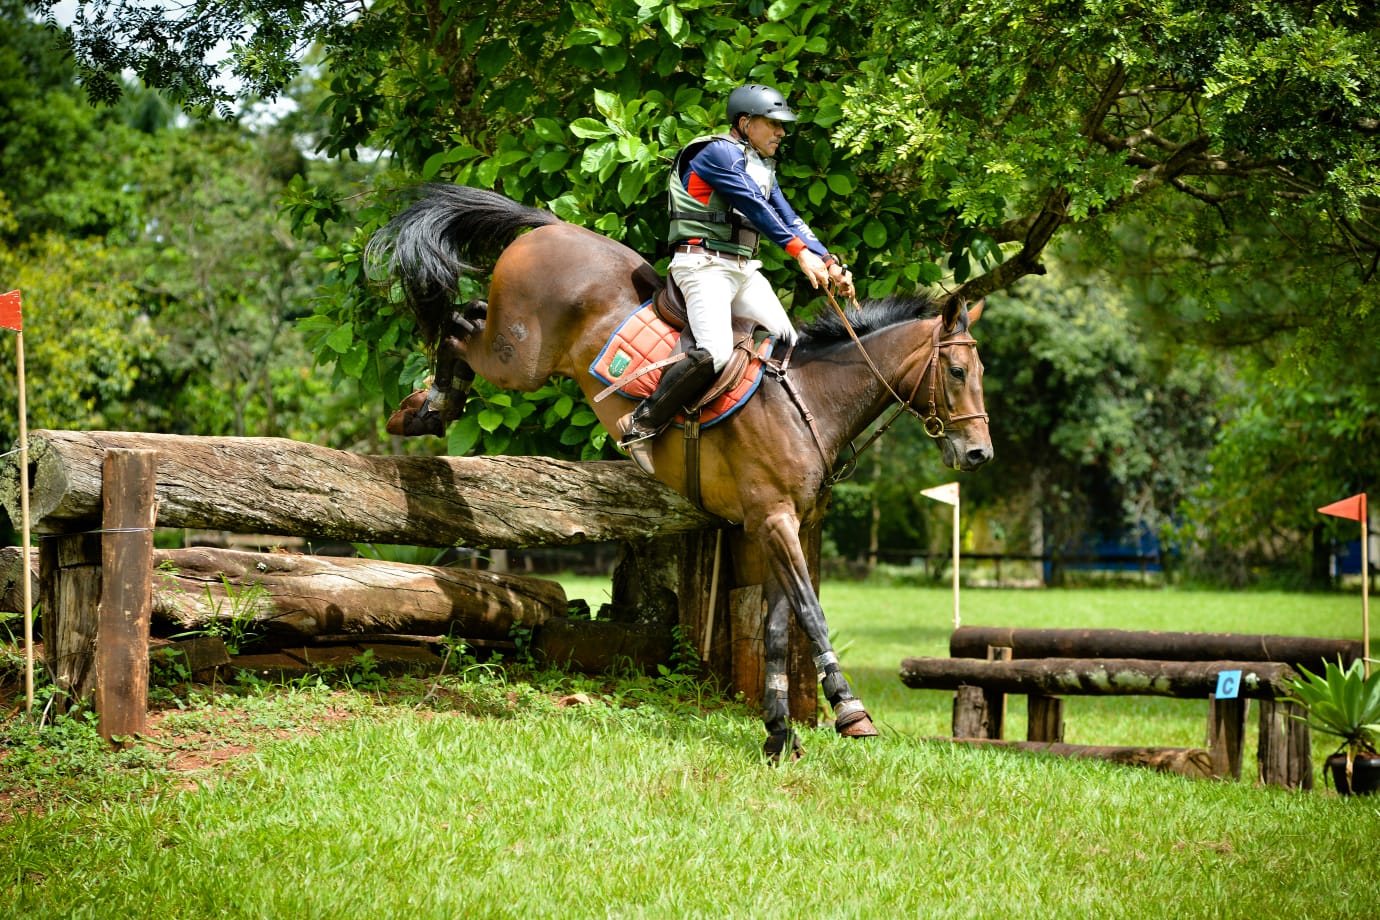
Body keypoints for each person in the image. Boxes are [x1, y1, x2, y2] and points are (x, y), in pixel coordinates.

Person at [616, 83, 855, 474]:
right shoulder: (716, 153)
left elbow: (789, 216)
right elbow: (754, 207)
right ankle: (641, 424)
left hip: (742, 270)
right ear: (745, 123)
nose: (781, 133)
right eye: (773, 124)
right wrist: (799, 254)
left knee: (790, 347)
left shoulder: (761, 165)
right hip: (702, 267)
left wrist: (828, 261)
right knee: (716, 352)